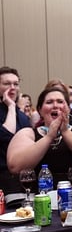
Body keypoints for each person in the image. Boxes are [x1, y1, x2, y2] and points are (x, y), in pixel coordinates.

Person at [7, 87, 72, 184]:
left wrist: (65, 132)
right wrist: (49, 137)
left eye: (60, 102)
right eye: (49, 102)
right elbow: (15, 167)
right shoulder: (28, 133)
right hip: (37, 195)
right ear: (40, 110)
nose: (55, 106)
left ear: (68, 109)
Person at [0, 66, 31, 195]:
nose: (12, 87)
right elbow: (6, 136)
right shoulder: (12, 110)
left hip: (21, 179)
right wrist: (11, 106)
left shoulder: (22, 116)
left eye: (16, 84)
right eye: (7, 83)